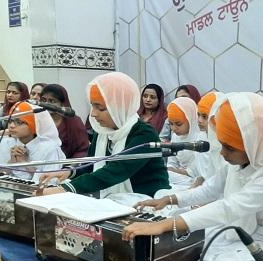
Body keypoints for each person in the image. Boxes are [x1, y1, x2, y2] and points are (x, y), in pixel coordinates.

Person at [122, 92, 263, 261]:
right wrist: (169, 200)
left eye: (229, 148)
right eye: (222, 144)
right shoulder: (239, 163)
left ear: (252, 143)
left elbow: (229, 208)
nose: (223, 154)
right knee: (198, 248)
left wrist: (165, 225)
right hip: (238, 232)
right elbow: (210, 189)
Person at [39, 72, 169, 199]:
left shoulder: (144, 133)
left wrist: (65, 189)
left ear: (118, 108)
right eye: (92, 106)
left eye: (100, 108)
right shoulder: (102, 131)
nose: (94, 114)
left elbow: (115, 171)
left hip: (148, 202)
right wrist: (69, 172)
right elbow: (91, 164)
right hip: (115, 199)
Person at [0, 101, 65, 182]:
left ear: (34, 125)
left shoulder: (49, 148)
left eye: (19, 122)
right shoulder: (6, 142)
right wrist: (11, 162)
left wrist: (25, 163)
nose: (12, 126)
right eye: (10, 121)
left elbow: (51, 181)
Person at [163, 97, 205, 191]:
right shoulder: (175, 136)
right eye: (171, 124)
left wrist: (172, 171)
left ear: (190, 120)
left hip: (195, 180)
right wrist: (169, 170)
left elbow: (195, 172)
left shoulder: (201, 138)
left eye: (178, 124)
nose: (174, 128)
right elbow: (171, 162)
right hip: (177, 177)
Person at [39, 84, 89, 159]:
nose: (47, 104)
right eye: (43, 100)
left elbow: (82, 150)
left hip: (67, 165)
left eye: (52, 101)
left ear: (62, 103)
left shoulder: (74, 122)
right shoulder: (37, 119)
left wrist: (69, 168)